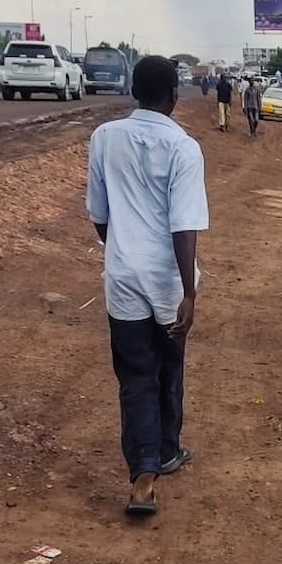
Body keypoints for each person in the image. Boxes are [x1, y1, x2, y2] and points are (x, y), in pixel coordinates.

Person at [87, 55, 209, 515]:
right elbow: (184, 225)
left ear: (134, 91)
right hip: (167, 276)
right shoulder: (183, 147)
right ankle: (166, 449)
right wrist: (189, 292)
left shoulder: (104, 138)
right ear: (174, 96)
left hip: (123, 274)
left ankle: (143, 474)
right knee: (169, 365)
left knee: (135, 374)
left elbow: (100, 214)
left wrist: (120, 248)